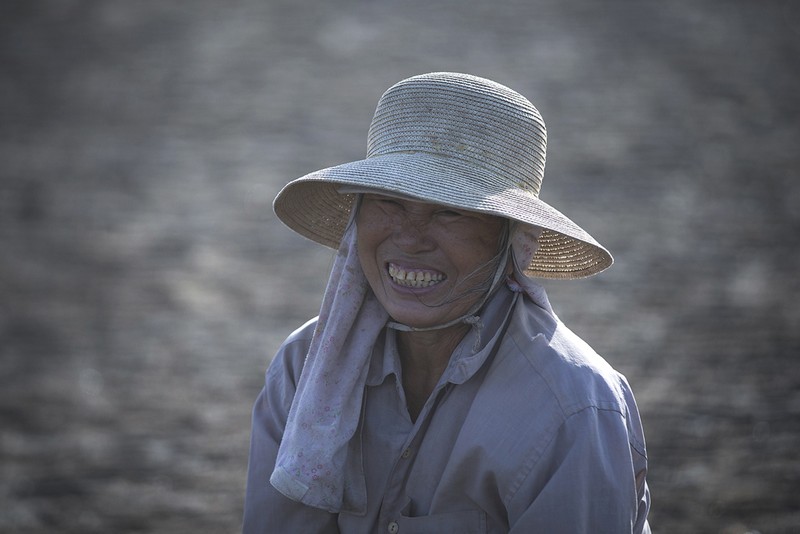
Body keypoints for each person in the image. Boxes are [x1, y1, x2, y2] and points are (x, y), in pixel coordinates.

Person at [243, 72, 651, 533]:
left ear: (512, 242)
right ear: (357, 220)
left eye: (449, 211)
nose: (411, 239)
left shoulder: (570, 408)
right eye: (389, 202)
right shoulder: (303, 367)